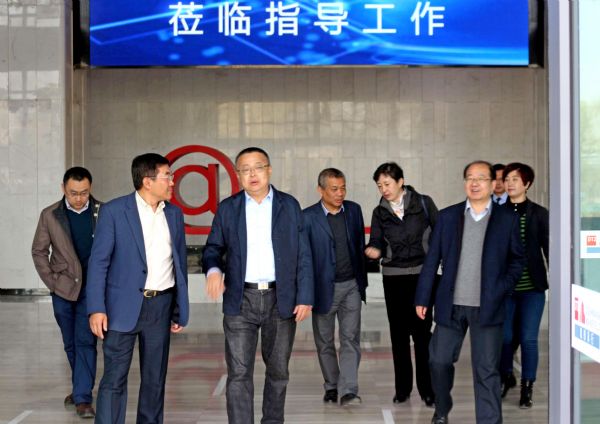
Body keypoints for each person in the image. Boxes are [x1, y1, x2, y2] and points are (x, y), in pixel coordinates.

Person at [202, 147, 313, 424]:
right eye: (245, 169)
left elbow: (304, 255)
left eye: (258, 167)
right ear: (238, 175)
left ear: (269, 170)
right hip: (241, 299)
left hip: (281, 298)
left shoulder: (289, 206)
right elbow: (213, 248)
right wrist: (214, 270)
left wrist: (305, 296)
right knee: (239, 374)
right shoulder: (228, 209)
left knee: (278, 371)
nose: (252, 174)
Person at [415, 160, 525, 424]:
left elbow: (517, 260)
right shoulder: (448, 217)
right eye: (470, 178)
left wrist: (501, 288)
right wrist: (422, 297)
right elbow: (432, 260)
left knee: (486, 370)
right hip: (451, 304)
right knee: (438, 361)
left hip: (488, 306)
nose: (474, 183)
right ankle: (442, 407)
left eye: (481, 178)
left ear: (493, 184)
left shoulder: (507, 219)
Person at [86, 153, 189, 424]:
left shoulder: (174, 214)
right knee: (114, 379)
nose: (172, 181)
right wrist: (96, 308)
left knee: (155, 380)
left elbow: (178, 263)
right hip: (121, 307)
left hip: (161, 306)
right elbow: (98, 263)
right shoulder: (114, 211)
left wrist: (179, 308)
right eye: (167, 176)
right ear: (147, 181)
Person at [364, 162, 437, 406]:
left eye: (387, 183)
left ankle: (427, 390)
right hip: (393, 278)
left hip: (421, 277)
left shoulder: (423, 203)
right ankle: (402, 389)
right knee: (398, 335)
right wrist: (374, 251)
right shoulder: (379, 212)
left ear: (400, 182)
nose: (383, 189)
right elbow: (376, 241)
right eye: (379, 185)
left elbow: (439, 235)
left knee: (422, 335)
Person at [31, 167, 101, 419]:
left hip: (92, 289)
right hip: (62, 289)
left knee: (85, 341)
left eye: (84, 193)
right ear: (63, 189)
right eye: (73, 193)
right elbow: (39, 251)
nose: (79, 198)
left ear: (90, 189)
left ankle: (83, 398)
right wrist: (52, 282)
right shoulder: (50, 215)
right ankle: (80, 385)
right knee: (70, 342)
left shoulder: (103, 213)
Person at [303, 168, 368, 406]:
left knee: (350, 338)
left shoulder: (354, 210)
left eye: (343, 188)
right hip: (323, 289)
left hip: (351, 285)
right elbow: (304, 257)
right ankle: (331, 385)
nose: (340, 193)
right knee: (325, 341)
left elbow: (358, 244)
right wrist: (305, 293)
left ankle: (348, 389)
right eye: (334, 189)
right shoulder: (307, 217)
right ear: (320, 190)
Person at [499, 162, 549, 408]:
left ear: (527, 184)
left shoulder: (539, 213)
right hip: (506, 289)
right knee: (506, 337)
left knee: (529, 339)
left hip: (532, 289)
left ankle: (527, 386)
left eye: (515, 179)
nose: (509, 183)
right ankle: (506, 375)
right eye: (507, 179)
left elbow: (548, 248)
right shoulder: (497, 213)